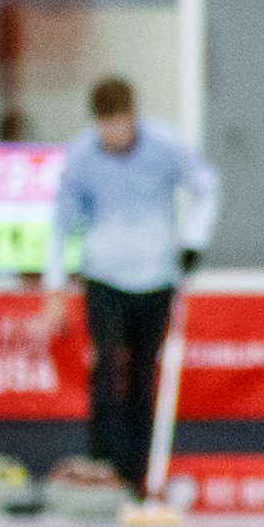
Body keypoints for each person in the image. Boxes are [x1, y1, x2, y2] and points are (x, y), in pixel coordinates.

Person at [36, 76, 220, 495]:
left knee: (141, 375)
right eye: (104, 127)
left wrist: (193, 242)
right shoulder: (82, 156)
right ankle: (101, 469)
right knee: (104, 368)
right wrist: (54, 289)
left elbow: (208, 188)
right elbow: (60, 224)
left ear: (132, 118)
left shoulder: (167, 146)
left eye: (118, 125)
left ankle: (138, 474)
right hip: (104, 276)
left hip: (156, 277)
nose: (111, 136)